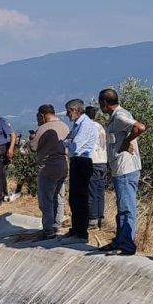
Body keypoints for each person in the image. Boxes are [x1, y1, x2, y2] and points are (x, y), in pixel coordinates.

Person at [99, 88, 147, 256]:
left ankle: (127, 245)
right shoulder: (119, 115)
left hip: (125, 168)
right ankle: (120, 240)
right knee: (122, 206)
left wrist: (127, 141)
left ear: (104, 103)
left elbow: (140, 127)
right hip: (120, 168)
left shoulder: (119, 116)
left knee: (127, 207)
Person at [61, 99, 102, 242]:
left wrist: (63, 144)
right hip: (77, 161)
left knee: (80, 198)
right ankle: (76, 229)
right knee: (74, 198)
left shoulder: (85, 125)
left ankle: (81, 233)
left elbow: (75, 146)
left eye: (68, 111)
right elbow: (70, 139)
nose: (67, 114)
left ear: (75, 110)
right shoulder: (78, 124)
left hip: (82, 162)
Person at [30, 105, 70, 239]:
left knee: (46, 200)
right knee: (59, 197)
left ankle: (48, 230)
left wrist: (32, 138)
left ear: (42, 115)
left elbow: (33, 147)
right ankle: (56, 225)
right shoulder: (65, 126)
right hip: (64, 165)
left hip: (48, 167)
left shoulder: (43, 128)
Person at [84, 106, 109, 230]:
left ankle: (92, 220)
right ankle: (100, 218)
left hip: (92, 161)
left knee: (91, 191)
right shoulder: (100, 127)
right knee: (100, 192)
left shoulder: (87, 127)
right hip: (103, 161)